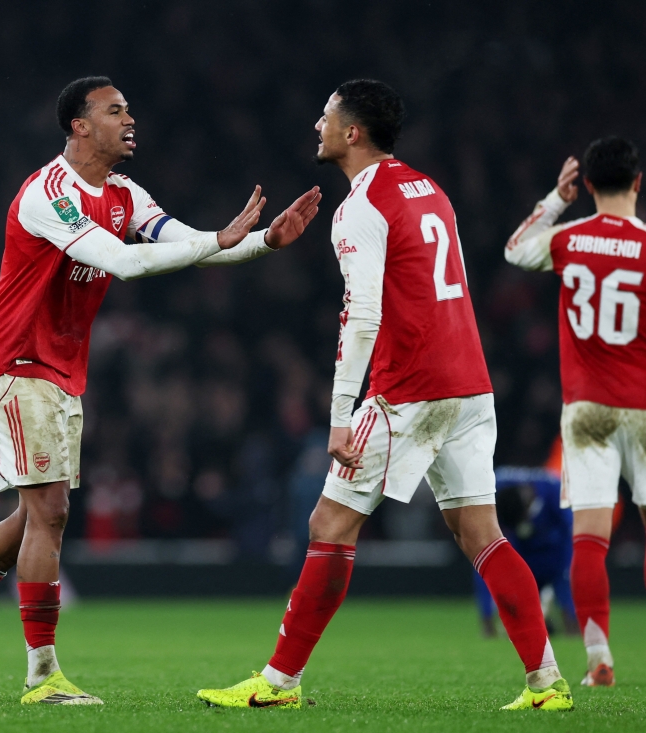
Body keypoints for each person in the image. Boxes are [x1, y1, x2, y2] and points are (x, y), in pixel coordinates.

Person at [0, 75, 321, 705]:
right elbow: (123, 261)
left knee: (35, 516)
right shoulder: (48, 194)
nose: (129, 119)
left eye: (129, 110)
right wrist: (219, 240)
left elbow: (188, 245)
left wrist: (262, 243)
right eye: (115, 111)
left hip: (61, 368)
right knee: (50, 513)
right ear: (80, 126)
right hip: (14, 362)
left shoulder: (124, 193)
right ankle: (42, 677)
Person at [196, 79, 573, 712]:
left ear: (352, 132)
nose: (317, 125)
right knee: (482, 533)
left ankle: (279, 683)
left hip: (410, 390)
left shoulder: (360, 207)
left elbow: (362, 313)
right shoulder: (431, 189)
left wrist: (340, 416)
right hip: (469, 384)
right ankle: (547, 683)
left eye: (326, 116)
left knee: (329, 523)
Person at [504, 137, 646, 687]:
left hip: (586, 409)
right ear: (639, 182)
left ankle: (598, 660)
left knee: (589, 537)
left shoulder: (568, 239)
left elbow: (515, 249)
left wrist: (556, 199)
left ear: (589, 184)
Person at [473, 467, 578, 638]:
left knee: (565, 579)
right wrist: (487, 617)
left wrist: (569, 609)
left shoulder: (554, 491)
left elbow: (570, 536)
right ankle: (495, 623)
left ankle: (569, 624)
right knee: (485, 561)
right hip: (517, 551)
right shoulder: (491, 488)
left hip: (553, 554)